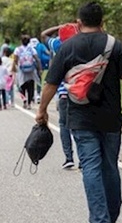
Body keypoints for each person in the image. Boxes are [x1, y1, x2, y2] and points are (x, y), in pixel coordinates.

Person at [35, 1, 122, 223]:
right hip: (111, 118)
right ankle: (110, 216)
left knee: (91, 166)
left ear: (79, 22)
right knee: (110, 166)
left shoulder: (68, 47)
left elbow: (50, 84)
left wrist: (42, 110)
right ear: (102, 22)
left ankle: (99, 219)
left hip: (80, 119)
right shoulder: (115, 45)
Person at [41, 24, 77, 170]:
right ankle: (83, 158)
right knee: (80, 127)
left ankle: (68, 157)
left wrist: (57, 26)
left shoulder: (57, 45)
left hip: (63, 93)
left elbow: (43, 34)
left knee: (64, 125)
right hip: (79, 94)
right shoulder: (80, 45)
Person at [12, 35, 41, 110]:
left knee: (21, 87)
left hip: (22, 71)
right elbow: (37, 59)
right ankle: (29, 103)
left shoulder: (18, 49)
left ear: (21, 41)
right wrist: (39, 69)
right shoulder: (32, 49)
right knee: (30, 87)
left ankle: (24, 101)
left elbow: (15, 60)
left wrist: (13, 69)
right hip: (31, 70)